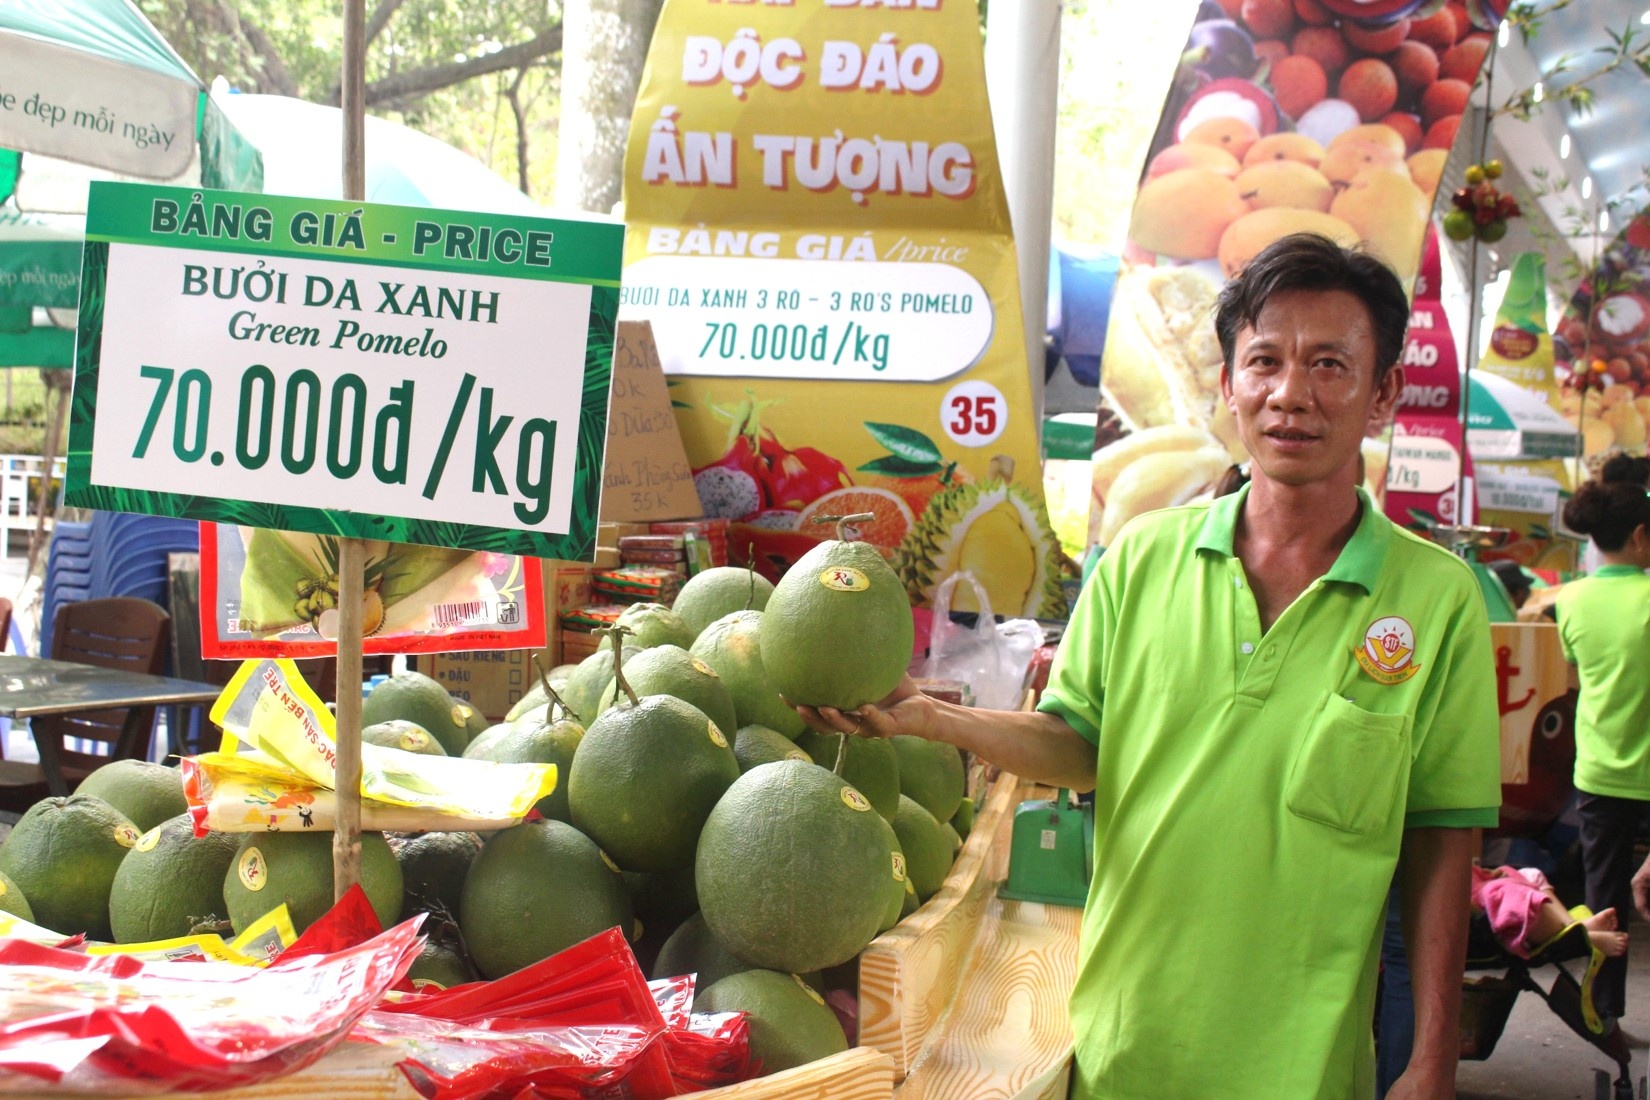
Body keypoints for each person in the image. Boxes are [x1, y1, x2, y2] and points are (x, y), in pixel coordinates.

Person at [795, 233, 1502, 1099]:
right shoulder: (1140, 558)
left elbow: (1441, 842)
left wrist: (1431, 1058)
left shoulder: (1436, 599)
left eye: (1329, 365)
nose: (1290, 395)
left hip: (1307, 1067)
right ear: (1229, 383)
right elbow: (1075, 741)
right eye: (1265, 361)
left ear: (1383, 391)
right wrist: (935, 718)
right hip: (1126, 1045)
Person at [1556, 475, 1650, 1026]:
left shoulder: (1571, 599)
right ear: (1640, 537)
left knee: (1605, 897)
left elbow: (1574, 668)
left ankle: (1606, 1013)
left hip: (1598, 769)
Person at [1471, 862, 1628, 960]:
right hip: (1474, 913)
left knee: (1529, 874)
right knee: (1515, 898)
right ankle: (1580, 937)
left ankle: (1572, 926)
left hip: (1476, 882)